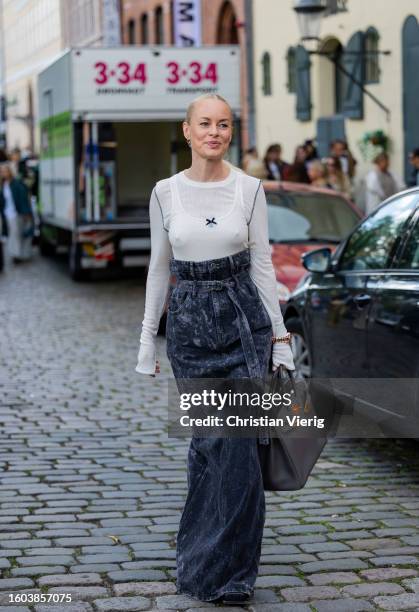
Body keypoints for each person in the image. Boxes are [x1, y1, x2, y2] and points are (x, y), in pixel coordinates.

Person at [135, 93, 295, 605]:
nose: (214, 132)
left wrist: (282, 340)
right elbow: (160, 268)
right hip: (189, 326)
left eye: (223, 124)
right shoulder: (165, 192)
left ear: (231, 132)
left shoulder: (250, 189)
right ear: (186, 131)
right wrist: (146, 341)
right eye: (204, 123)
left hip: (242, 321)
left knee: (240, 450)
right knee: (208, 445)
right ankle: (201, 563)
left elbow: (263, 267)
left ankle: (232, 575)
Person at [0, 162, 34, 263]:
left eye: (5, 171)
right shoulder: (3, 185)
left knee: (17, 235)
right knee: (11, 235)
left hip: (16, 213)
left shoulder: (17, 184)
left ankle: (17, 255)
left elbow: (23, 199)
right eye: (1, 171)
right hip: (7, 214)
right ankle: (16, 254)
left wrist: (26, 213)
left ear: (10, 172)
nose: (2, 173)